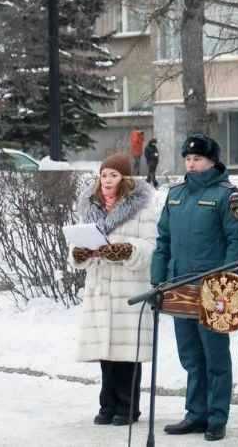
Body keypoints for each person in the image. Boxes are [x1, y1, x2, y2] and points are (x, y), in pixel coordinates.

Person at [150, 133, 238, 441]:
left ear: (213, 161)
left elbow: (237, 242)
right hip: (180, 286)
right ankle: (196, 413)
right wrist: (158, 278)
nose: (192, 164)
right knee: (190, 354)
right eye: (188, 159)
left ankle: (217, 416)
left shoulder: (227, 196)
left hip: (214, 289)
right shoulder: (175, 194)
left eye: (198, 159)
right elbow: (163, 239)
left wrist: (227, 282)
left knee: (214, 355)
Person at [68, 154, 158, 426]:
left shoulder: (143, 209)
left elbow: (151, 247)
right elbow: (75, 249)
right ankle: (107, 405)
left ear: (125, 179)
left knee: (127, 353)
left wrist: (126, 249)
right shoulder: (90, 207)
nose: (107, 180)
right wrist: (80, 253)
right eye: (104, 175)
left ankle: (128, 407)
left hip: (127, 287)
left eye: (113, 175)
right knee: (106, 353)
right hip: (100, 287)